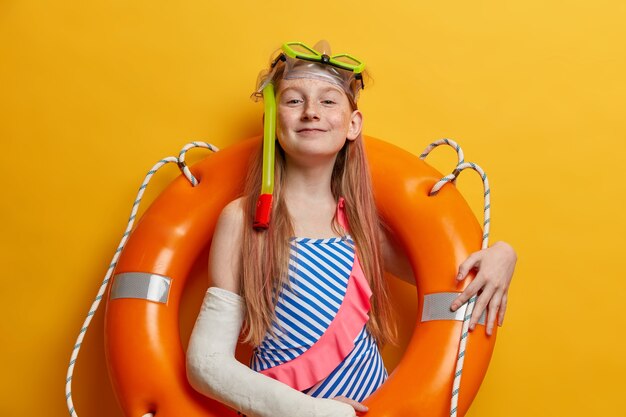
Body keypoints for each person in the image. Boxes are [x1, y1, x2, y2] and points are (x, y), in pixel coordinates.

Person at [186, 41, 517, 417]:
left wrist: (504, 255)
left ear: (352, 125)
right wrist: (315, 412)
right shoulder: (243, 220)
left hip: (374, 407)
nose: (311, 112)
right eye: (294, 101)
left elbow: (455, 278)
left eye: (329, 102)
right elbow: (207, 365)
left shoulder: (361, 227)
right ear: (272, 119)